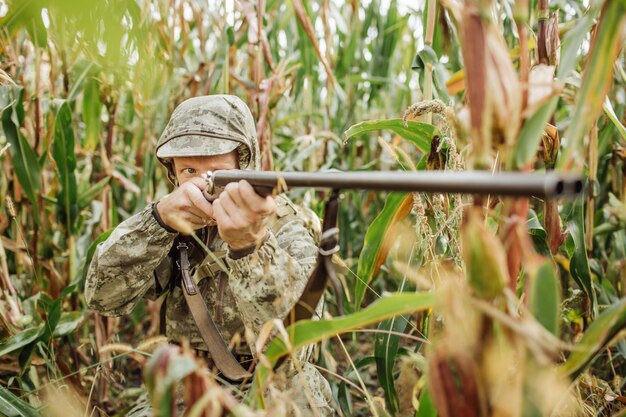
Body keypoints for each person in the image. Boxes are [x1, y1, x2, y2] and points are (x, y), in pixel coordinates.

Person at [85, 95, 334, 416]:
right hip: (186, 379)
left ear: (245, 167)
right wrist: (158, 221)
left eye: (219, 171)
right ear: (173, 173)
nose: (205, 185)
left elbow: (294, 344)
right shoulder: (170, 224)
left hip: (275, 384)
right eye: (189, 170)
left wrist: (250, 245)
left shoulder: (287, 224)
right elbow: (103, 297)